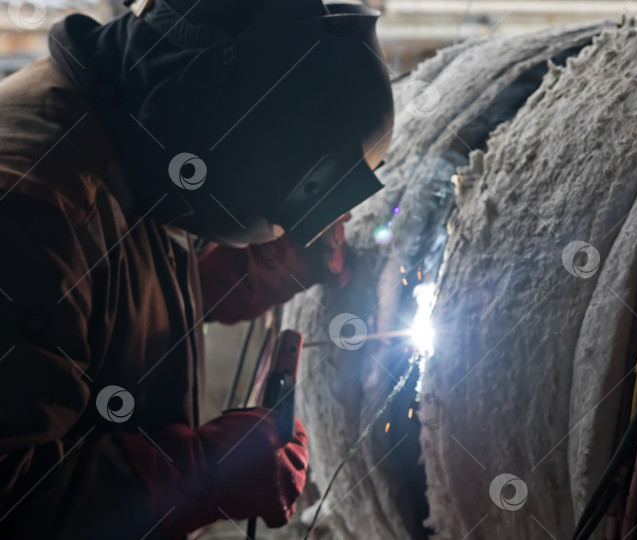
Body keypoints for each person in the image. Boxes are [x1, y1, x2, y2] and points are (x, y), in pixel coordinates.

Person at [0, 0, 394, 538]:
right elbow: (10, 498)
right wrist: (202, 475)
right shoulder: (30, 205)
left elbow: (84, 308)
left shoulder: (131, 120)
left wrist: (213, 282)